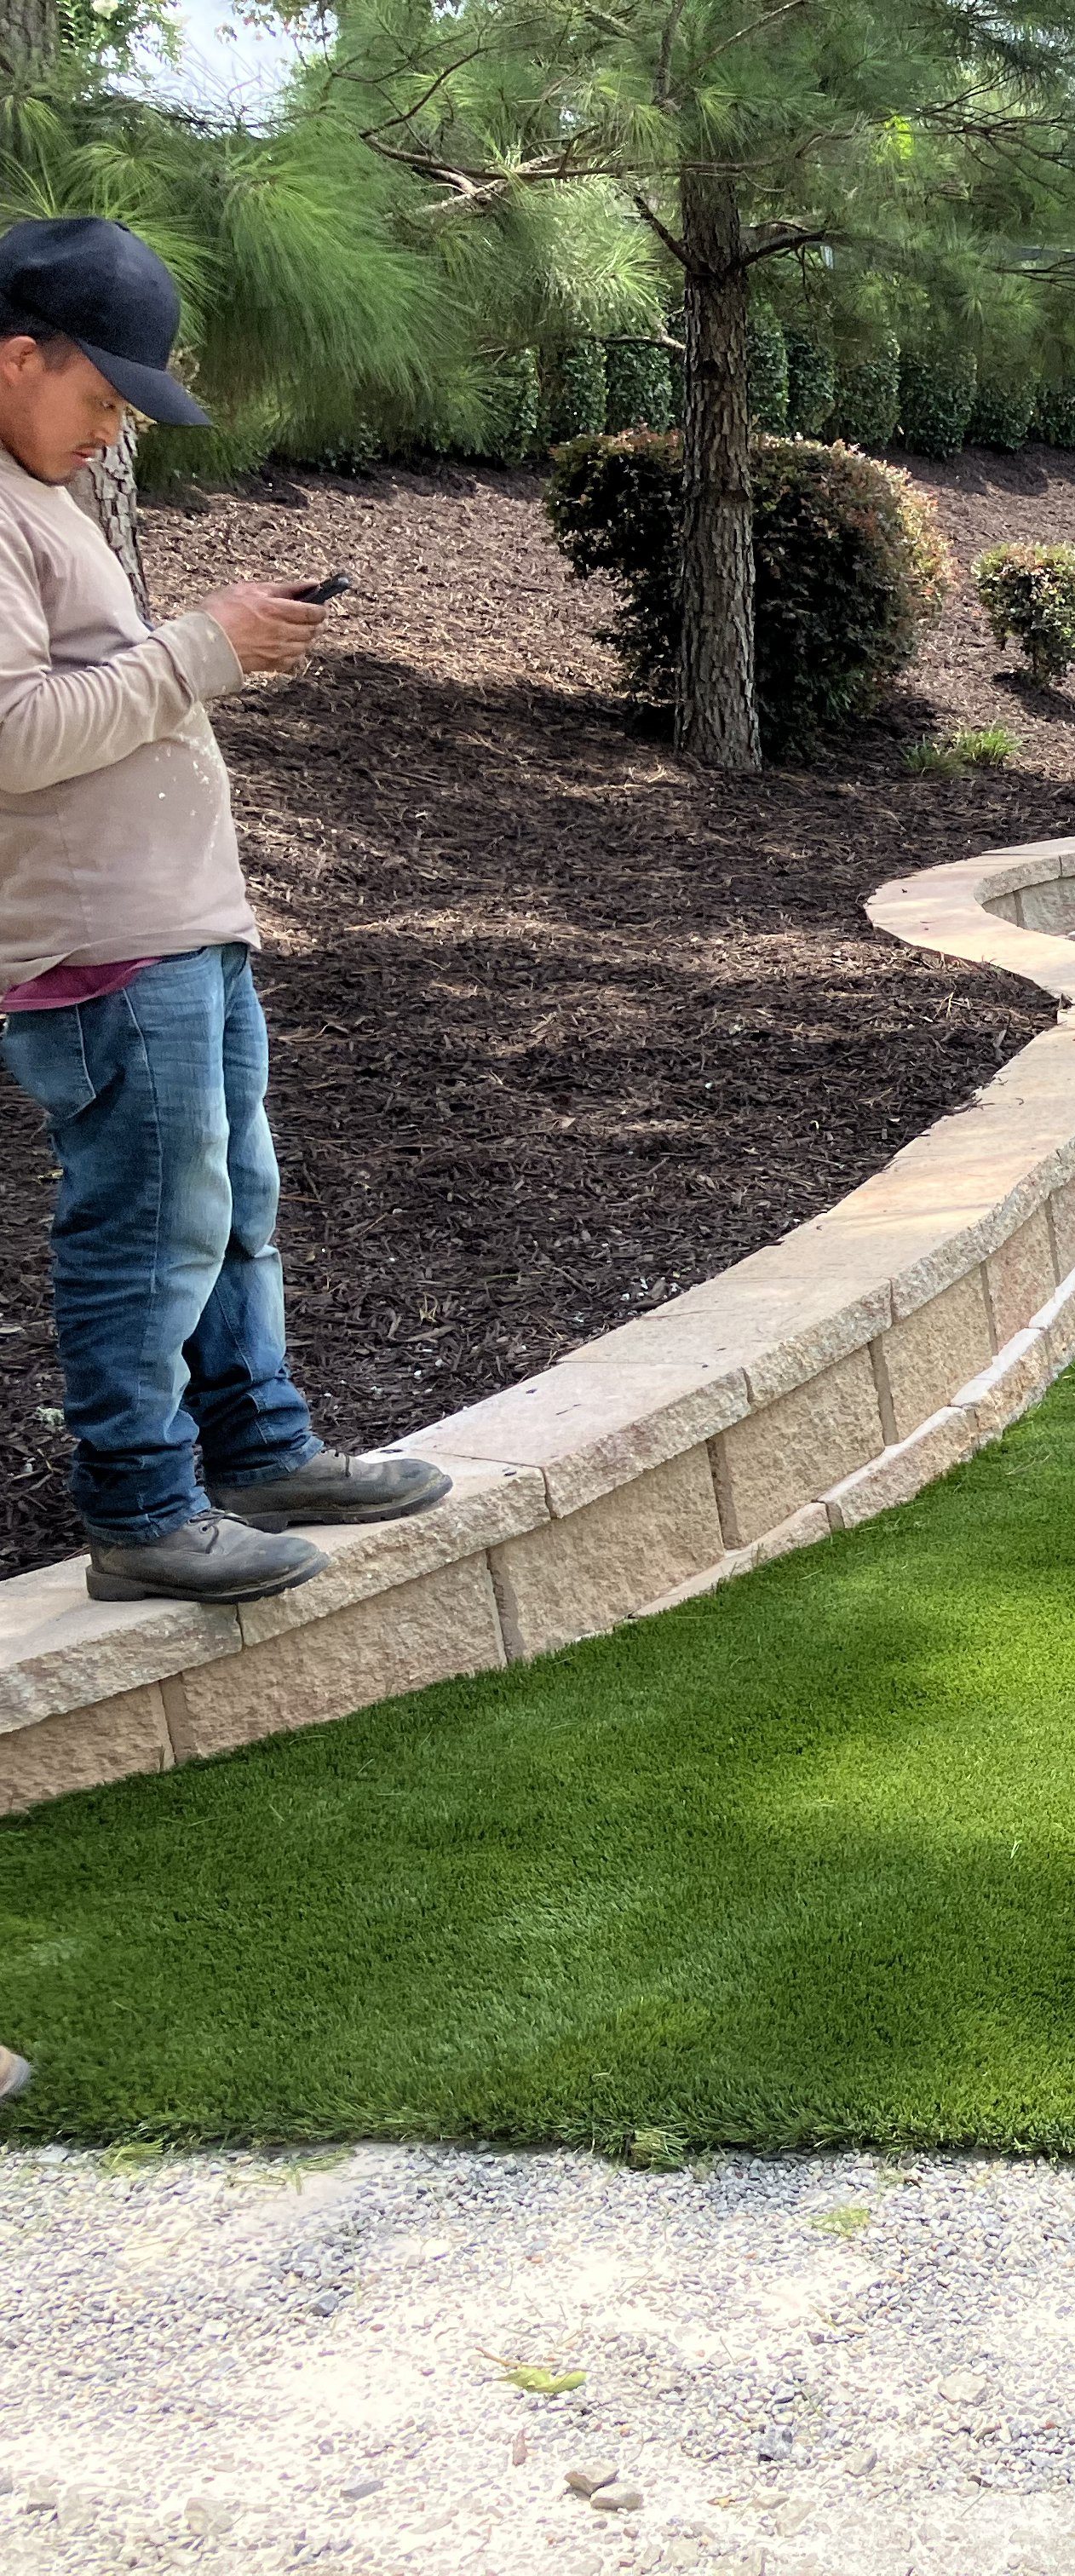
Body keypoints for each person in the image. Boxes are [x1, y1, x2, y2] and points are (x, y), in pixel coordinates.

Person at [0, 217, 447, 1606]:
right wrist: (204, 648)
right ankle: (141, 1512)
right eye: (101, 395)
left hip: (173, 937)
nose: (116, 429)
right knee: (149, 1224)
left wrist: (203, 647)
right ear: (18, 355)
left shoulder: (38, 495)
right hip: (103, 956)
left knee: (231, 1205)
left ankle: (259, 1451)